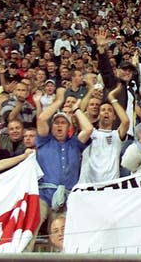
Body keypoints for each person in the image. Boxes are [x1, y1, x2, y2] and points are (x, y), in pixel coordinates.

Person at [35, 87, 93, 234]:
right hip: (43, 196)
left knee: (62, 235)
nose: (59, 125)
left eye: (63, 123)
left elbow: (88, 129)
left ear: (69, 127)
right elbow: (41, 118)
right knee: (32, 229)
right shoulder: (44, 141)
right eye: (56, 123)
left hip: (66, 199)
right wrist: (59, 101)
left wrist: (76, 110)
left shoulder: (75, 143)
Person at [78, 84, 130, 183]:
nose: (106, 112)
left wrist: (112, 99)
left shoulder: (116, 135)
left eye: (110, 111)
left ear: (114, 117)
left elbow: (126, 122)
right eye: (103, 110)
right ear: (98, 115)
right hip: (87, 186)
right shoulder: (89, 132)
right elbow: (79, 111)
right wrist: (91, 90)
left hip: (110, 186)